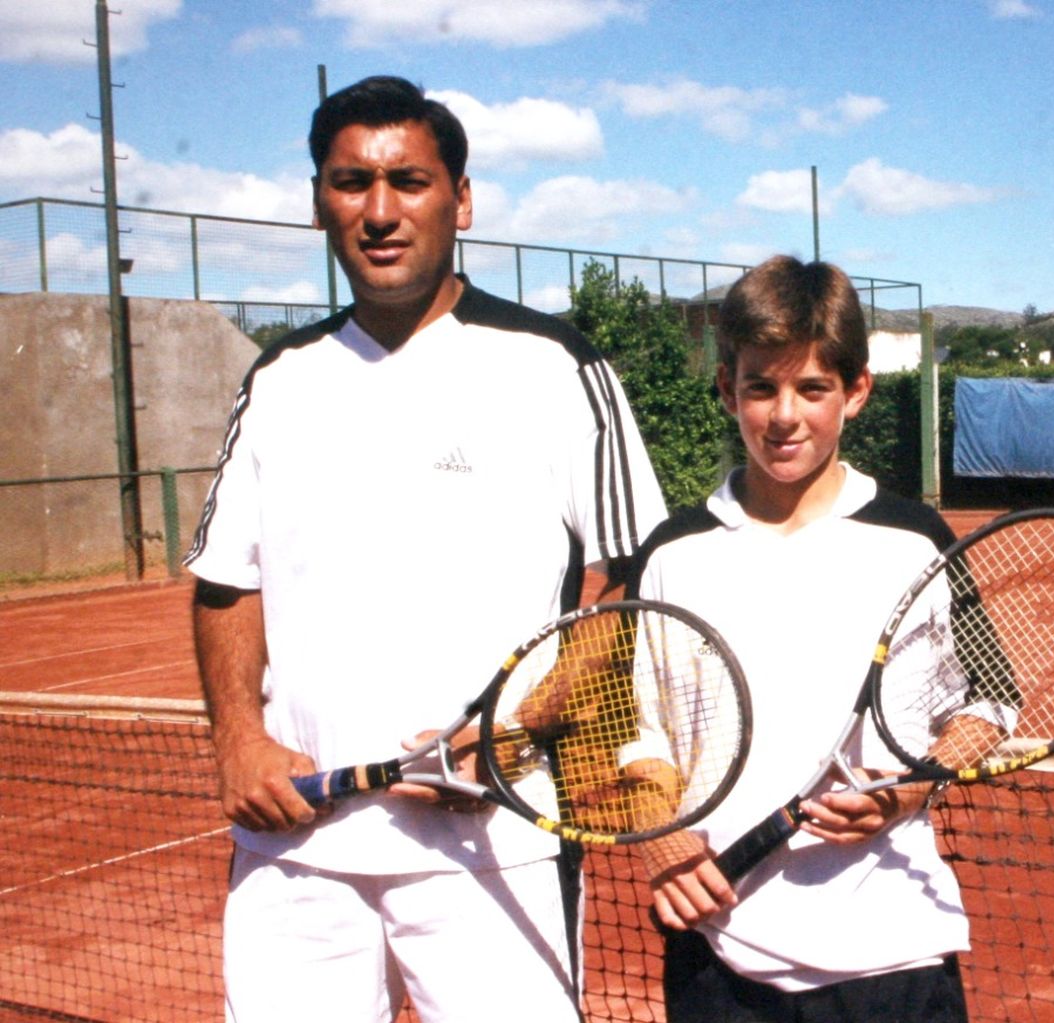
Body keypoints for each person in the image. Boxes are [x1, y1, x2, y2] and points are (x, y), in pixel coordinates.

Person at [185, 75, 666, 1022]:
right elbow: (223, 582)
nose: (378, 211)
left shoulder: (557, 364)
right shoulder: (279, 378)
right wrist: (238, 739)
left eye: (408, 180)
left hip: (494, 846)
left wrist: (520, 725)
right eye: (349, 182)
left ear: (463, 200)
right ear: (319, 200)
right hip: (295, 849)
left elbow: (630, 579)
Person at [625, 256, 971, 1022]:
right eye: (761, 386)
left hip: (896, 960)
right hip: (719, 961)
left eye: (813, 387)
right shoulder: (670, 554)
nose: (785, 415)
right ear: (726, 389)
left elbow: (987, 705)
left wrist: (909, 789)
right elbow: (633, 733)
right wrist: (662, 843)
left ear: (856, 391)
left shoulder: (917, 539)